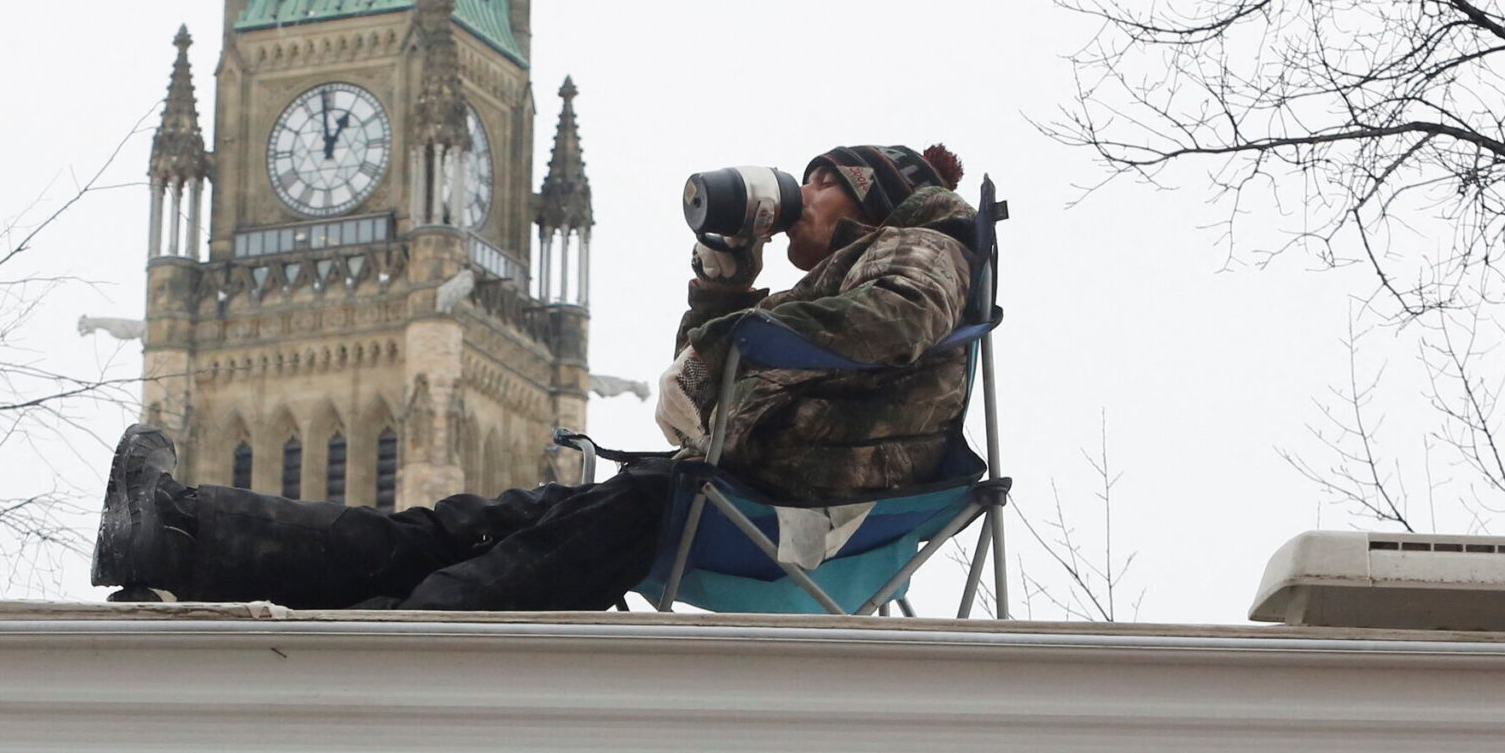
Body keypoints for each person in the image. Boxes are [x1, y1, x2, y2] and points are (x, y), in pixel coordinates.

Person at [91, 143, 979, 611]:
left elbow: (895, 319)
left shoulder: (923, 246)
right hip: (738, 491)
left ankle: (384, 633)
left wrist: (753, 324)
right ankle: (177, 535)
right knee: (462, 526)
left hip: (772, 504)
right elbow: (703, 389)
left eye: (818, 183)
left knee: (516, 556)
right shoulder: (840, 278)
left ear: (868, 190)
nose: (798, 203)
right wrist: (726, 272)